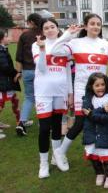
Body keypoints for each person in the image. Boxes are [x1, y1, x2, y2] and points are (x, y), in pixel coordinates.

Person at [50, 13, 108, 171]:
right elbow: (54, 51)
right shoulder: (75, 42)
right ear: (86, 25)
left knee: (97, 121)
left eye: (98, 24)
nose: (96, 26)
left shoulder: (105, 44)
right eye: (92, 23)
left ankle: (99, 154)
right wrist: (68, 34)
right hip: (82, 90)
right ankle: (60, 152)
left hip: (100, 92)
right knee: (81, 122)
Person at [32, 18, 75, 178]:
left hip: (61, 92)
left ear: (57, 29)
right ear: (42, 31)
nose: (49, 30)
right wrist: (43, 49)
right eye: (46, 28)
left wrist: (70, 94)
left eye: (52, 27)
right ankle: (43, 163)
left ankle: (56, 158)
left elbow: (67, 73)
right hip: (43, 92)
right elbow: (41, 68)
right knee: (44, 128)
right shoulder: (36, 45)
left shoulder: (65, 47)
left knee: (57, 126)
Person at [81, 72, 108, 188]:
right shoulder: (88, 98)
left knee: (106, 155)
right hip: (91, 132)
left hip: (105, 132)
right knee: (93, 154)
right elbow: (85, 111)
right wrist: (103, 109)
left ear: (106, 85)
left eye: (103, 84)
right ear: (91, 87)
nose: (100, 87)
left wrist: (92, 114)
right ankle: (99, 173)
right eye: (97, 85)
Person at [15, 13, 43, 135]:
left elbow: (19, 57)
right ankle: (43, 122)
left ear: (31, 22)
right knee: (43, 97)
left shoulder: (24, 35)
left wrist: (18, 72)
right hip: (41, 71)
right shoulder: (45, 34)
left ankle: (22, 123)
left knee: (29, 97)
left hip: (27, 71)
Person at [0, 30, 21, 139]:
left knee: (14, 99)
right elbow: (4, 67)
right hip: (3, 82)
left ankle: (21, 121)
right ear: (2, 38)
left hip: (6, 81)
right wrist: (16, 73)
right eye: (7, 36)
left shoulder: (3, 49)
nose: (9, 38)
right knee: (1, 104)